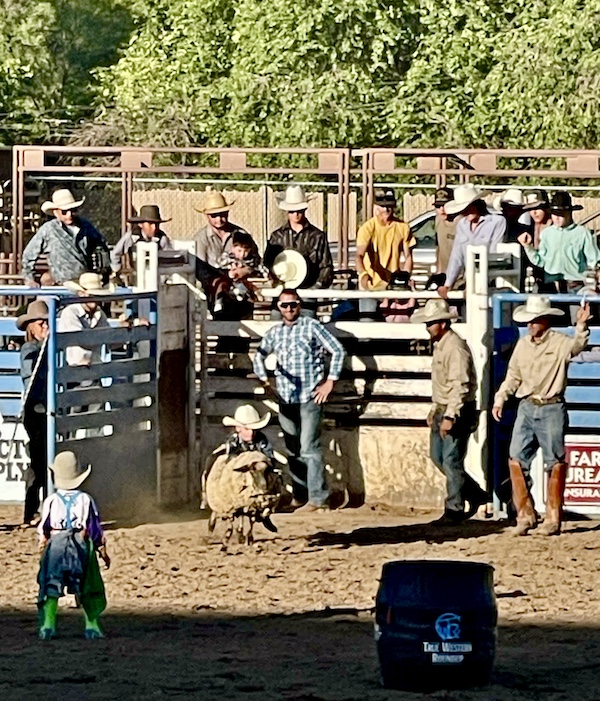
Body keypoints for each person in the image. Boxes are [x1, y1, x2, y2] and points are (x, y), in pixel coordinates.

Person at [492, 296, 591, 536]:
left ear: (545, 321)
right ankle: (526, 515)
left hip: (552, 406)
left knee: (554, 462)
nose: (530, 325)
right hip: (527, 405)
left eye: (534, 320)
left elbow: (577, 346)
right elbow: (513, 374)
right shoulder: (523, 345)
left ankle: (552, 518)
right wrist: (501, 397)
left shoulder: (560, 343)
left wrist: (581, 326)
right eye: (529, 321)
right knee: (516, 458)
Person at [253, 289, 346, 511]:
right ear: (278, 307)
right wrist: (265, 381)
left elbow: (338, 350)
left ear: (299, 305)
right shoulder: (275, 332)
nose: (289, 309)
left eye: (293, 305)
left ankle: (318, 498)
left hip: (310, 396)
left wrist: (330, 382)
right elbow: (260, 354)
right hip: (286, 397)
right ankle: (301, 495)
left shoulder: (311, 326)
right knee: (294, 448)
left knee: (308, 447)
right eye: (285, 305)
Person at [411, 299, 487, 524]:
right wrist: (437, 408)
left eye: (431, 323)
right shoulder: (445, 344)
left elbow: (460, 385)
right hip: (445, 406)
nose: (427, 327)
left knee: (450, 459)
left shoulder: (454, 347)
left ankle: (455, 508)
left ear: (442, 324)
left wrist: (450, 415)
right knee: (440, 457)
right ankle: (474, 494)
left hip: (456, 409)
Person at [37, 451, 110, 640]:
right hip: (80, 544)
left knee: (51, 584)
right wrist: (102, 550)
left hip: (56, 543)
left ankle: (48, 625)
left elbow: (44, 529)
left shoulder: (51, 501)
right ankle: (91, 625)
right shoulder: (85, 500)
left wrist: (43, 548)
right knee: (87, 584)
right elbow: (94, 529)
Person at [22, 189, 110, 286]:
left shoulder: (86, 226)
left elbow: (102, 247)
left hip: (86, 282)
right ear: (56, 212)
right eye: (64, 211)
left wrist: (103, 272)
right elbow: (28, 255)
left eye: (73, 210)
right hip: (59, 284)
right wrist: (29, 278)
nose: (69, 214)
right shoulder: (49, 229)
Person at [518, 191, 600, 293]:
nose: (556, 217)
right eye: (554, 214)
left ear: (569, 213)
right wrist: (528, 247)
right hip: (551, 284)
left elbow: (595, 259)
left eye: (560, 214)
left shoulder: (583, 233)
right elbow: (540, 261)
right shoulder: (547, 233)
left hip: (575, 285)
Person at [194, 191, 258, 316]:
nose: (219, 219)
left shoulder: (241, 234)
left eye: (222, 214)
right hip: (214, 292)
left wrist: (245, 271)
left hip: (241, 292)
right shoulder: (200, 238)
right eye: (214, 215)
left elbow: (255, 259)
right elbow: (200, 269)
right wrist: (223, 277)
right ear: (207, 216)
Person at [355, 188, 416, 318]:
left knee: (396, 328)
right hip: (371, 285)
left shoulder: (403, 227)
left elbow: (408, 257)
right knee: (368, 324)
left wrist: (405, 276)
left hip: (394, 287)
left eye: (389, 206)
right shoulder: (367, 228)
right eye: (383, 206)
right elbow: (359, 256)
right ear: (376, 207)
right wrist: (364, 275)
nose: (386, 210)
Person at [438, 184, 506, 297]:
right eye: (463, 208)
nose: (466, 211)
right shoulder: (461, 225)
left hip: (491, 281)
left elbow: (495, 253)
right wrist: (448, 284)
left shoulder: (497, 222)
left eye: (469, 206)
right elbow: (457, 256)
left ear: (478, 204)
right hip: (468, 283)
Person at [264, 185, 334, 291]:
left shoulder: (317, 236)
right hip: (282, 290)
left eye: (299, 211)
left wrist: (316, 287)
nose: (296, 214)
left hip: (309, 288)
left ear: (304, 209)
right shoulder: (277, 236)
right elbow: (267, 263)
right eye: (292, 211)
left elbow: (326, 266)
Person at [18, 301, 49, 527]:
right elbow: (31, 376)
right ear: (32, 327)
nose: (46, 326)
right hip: (36, 408)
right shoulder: (30, 350)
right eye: (41, 323)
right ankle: (32, 509)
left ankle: (40, 508)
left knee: (43, 460)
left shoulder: (44, 348)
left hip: (44, 407)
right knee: (39, 460)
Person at [59, 273, 113, 367]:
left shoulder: (99, 313)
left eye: (97, 295)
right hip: (74, 370)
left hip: (94, 369)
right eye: (92, 295)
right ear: (81, 294)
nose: (95, 299)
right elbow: (80, 339)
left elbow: (110, 340)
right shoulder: (70, 313)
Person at [110, 204, 173, 276]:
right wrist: (117, 271)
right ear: (140, 224)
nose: (154, 227)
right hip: (137, 277)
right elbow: (115, 254)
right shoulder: (132, 237)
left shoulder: (162, 239)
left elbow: (169, 258)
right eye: (150, 224)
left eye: (157, 224)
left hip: (157, 277)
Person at [215, 231, 265, 311]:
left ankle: (245, 294)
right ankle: (219, 301)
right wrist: (230, 269)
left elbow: (260, 268)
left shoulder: (252, 260)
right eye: (239, 251)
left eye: (245, 251)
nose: (242, 254)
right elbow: (219, 266)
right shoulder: (228, 257)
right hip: (230, 283)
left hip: (245, 282)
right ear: (233, 248)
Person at [522, 189, 552, 291]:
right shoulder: (530, 227)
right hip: (538, 275)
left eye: (538, 208)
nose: (534, 212)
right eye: (531, 209)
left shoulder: (555, 228)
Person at [434, 187, 457, 278]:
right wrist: (439, 272)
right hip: (444, 276)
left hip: (461, 277)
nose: (442, 209)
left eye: (445, 205)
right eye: (438, 206)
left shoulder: (461, 223)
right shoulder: (438, 220)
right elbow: (439, 248)